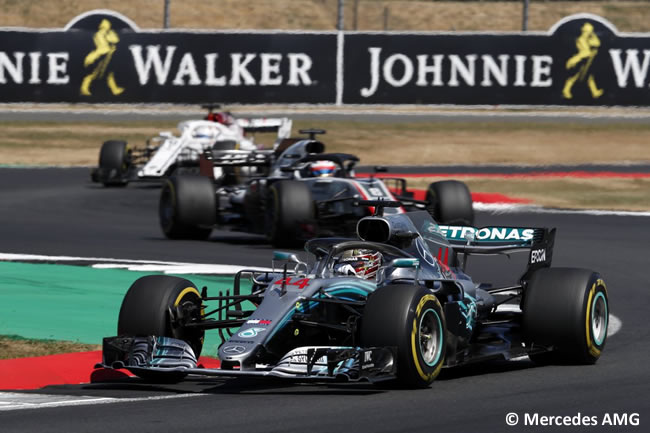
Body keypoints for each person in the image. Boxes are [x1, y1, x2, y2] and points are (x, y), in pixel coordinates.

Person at [80, 19, 124, 96]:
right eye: (107, 25)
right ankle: (84, 88)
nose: (108, 26)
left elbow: (116, 40)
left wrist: (110, 33)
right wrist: (110, 36)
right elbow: (110, 43)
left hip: (106, 56)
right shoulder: (100, 34)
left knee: (109, 74)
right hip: (100, 56)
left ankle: (114, 90)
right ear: (104, 26)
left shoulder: (107, 33)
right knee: (95, 74)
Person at [563, 22, 604, 99]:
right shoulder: (581, 39)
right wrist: (590, 53)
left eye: (589, 32)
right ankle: (565, 90)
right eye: (588, 32)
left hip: (585, 62)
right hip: (578, 61)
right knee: (574, 76)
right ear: (584, 31)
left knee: (589, 77)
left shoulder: (588, 40)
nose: (588, 33)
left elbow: (598, 43)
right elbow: (586, 52)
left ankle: (594, 92)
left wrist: (593, 35)